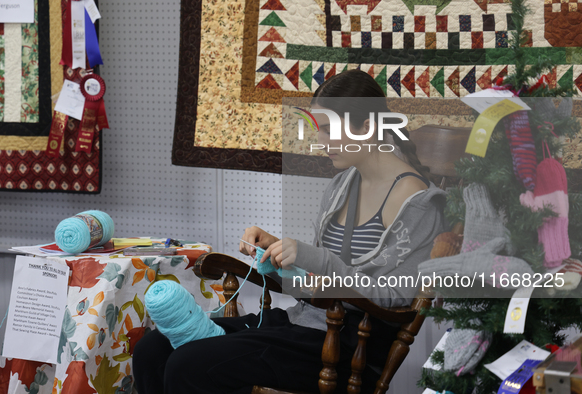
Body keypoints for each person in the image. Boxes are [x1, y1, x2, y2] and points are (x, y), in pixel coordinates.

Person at [133, 69, 448, 394]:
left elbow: (394, 299)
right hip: (306, 326)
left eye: (328, 130)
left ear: (367, 126)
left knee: (189, 364)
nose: (320, 142)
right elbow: (316, 287)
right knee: (153, 350)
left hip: (347, 350)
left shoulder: (417, 201)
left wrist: (315, 257)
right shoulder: (343, 185)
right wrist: (274, 253)